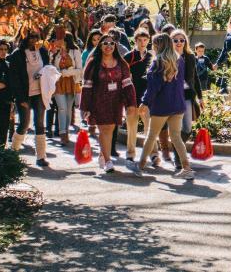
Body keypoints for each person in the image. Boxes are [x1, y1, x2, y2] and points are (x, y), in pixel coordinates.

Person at [128, 33, 194, 179]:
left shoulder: (157, 62)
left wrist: (145, 102)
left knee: (151, 136)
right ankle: (187, 168)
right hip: (178, 104)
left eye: (153, 44)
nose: (152, 46)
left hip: (162, 106)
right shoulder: (179, 60)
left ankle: (140, 166)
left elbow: (153, 88)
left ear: (158, 45)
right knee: (176, 137)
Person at [80, 33, 136, 174]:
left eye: (111, 43)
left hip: (116, 101)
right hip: (98, 101)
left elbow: (128, 84)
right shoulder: (93, 63)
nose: (109, 46)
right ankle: (108, 161)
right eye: (105, 43)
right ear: (100, 46)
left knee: (109, 130)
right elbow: (86, 86)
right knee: (104, 129)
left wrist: (131, 104)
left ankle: (102, 155)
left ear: (115, 46)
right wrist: (85, 107)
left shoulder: (122, 63)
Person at [8, 29, 51, 166]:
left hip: (40, 93)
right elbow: (14, 79)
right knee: (24, 124)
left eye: (36, 37)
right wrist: (20, 98)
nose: (33, 39)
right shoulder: (17, 54)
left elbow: (48, 69)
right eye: (30, 36)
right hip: (25, 94)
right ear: (24, 37)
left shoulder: (43, 52)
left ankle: (41, 157)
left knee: (39, 123)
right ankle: (12, 153)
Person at [124, 29, 153, 162]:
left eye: (145, 40)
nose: (142, 43)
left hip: (146, 98)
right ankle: (130, 154)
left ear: (148, 41)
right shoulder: (128, 57)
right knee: (132, 128)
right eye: (140, 40)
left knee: (150, 128)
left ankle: (153, 154)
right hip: (131, 97)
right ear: (135, 41)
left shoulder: (151, 57)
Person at [50, 32, 82, 145]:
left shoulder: (75, 51)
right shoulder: (55, 52)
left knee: (68, 109)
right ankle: (62, 133)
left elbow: (79, 69)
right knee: (62, 108)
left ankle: (66, 131)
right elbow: (51, 68)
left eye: (59, 39)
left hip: (71, 82)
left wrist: (67, 72)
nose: (57, 41)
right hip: (58, 83)